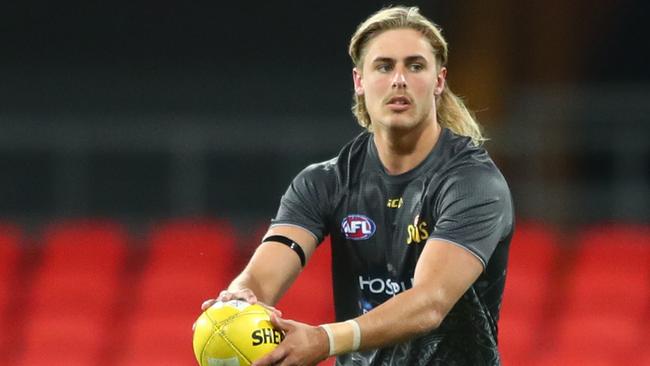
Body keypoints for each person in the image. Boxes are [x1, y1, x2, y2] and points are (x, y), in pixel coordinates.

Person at [202, 6, 514, 366]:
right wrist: (242, 296)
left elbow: (430, 302)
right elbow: (266, 271)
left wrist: (324, 339)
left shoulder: (473, 183)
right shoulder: (325, 182)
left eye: (415, 66)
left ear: (439, 81)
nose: (399, 79)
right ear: (359, 81)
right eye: (384, 66)